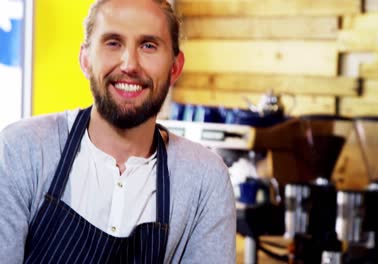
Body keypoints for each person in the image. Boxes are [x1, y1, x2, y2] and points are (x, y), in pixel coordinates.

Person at [0, 0, 236, 263]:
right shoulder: (21, 150)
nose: (129, 65)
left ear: (175, 67)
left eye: (148, 45)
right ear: (86, 59)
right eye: (113, 43)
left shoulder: (206, 180)